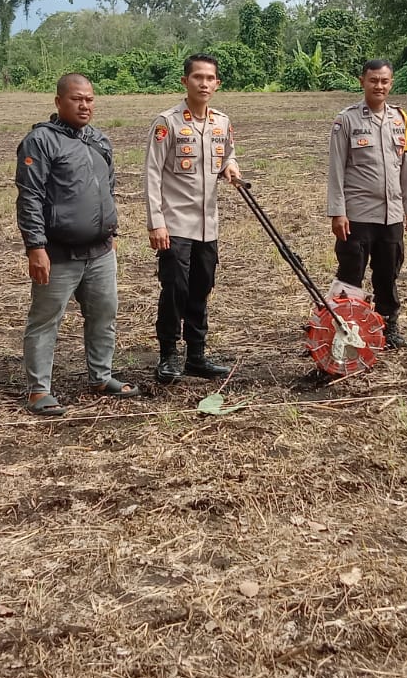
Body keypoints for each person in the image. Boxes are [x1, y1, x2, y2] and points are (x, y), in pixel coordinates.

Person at [15, 73, 140, 416]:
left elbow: (108, 190)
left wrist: (110, 233)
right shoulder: (40, 141)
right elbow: (30, 197)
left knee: (103, 314)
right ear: (59, 102)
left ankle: (101, 376)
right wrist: (35, 247)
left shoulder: (99, 140)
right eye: (76, 99)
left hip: (99, 251)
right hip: (57, 254)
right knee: (45, 320)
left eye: (89, 99)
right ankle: (39, 390)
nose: (84, 105)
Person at [145, 53, 243, 383]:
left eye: (209, 78)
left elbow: (228, 154)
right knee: (175, 288)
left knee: (202, 287)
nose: (204, 83)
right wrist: (156, 221)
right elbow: (152, 174)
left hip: (207, 224)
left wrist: (230, 166)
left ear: (217, 84)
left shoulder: (221, 122)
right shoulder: (167, 122)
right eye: (197, 77)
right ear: (185, 81)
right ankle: (169, 354)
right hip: (175, 223)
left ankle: (196, 355)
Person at [326, 59, 407, 348]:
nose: (379, 86)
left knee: (387, 273)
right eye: (373, 80)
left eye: (384, 81)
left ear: (391, 83)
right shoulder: (347, 120)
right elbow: (336, 169)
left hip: (391, 215)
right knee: (350, 274)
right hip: (357, 214)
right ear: (362, 81)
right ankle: (343, 328)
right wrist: (338, 212)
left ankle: (388, 327)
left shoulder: (399, 118)